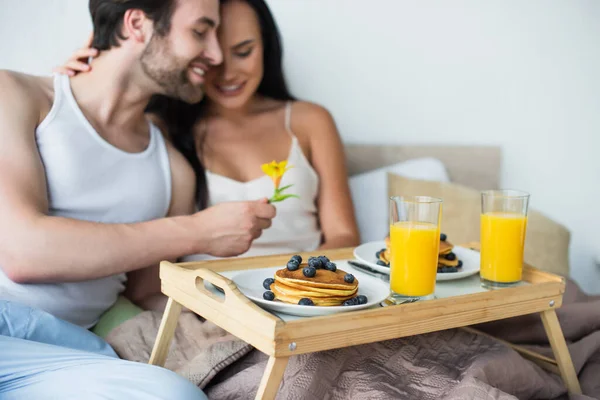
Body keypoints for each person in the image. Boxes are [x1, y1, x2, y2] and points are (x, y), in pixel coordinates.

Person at [0, 0, 276, 398]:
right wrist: (196, 231)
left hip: (65, 356)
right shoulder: (19, 96)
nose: (215, 55)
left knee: (173, 394)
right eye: (200, 32)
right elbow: (24, 253)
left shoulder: (173, 171)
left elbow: (145, 294)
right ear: (136, 24)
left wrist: (246, 322)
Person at [58, 0, 361, 261]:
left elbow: (344, 234)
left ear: (266, 47)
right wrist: (72, 86)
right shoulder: (157, 131)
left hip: (301, 295)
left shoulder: (309, 121)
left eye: (243, 52)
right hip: (205, 306)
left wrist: (293, 284)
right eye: (207, 51)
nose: (227, 71)